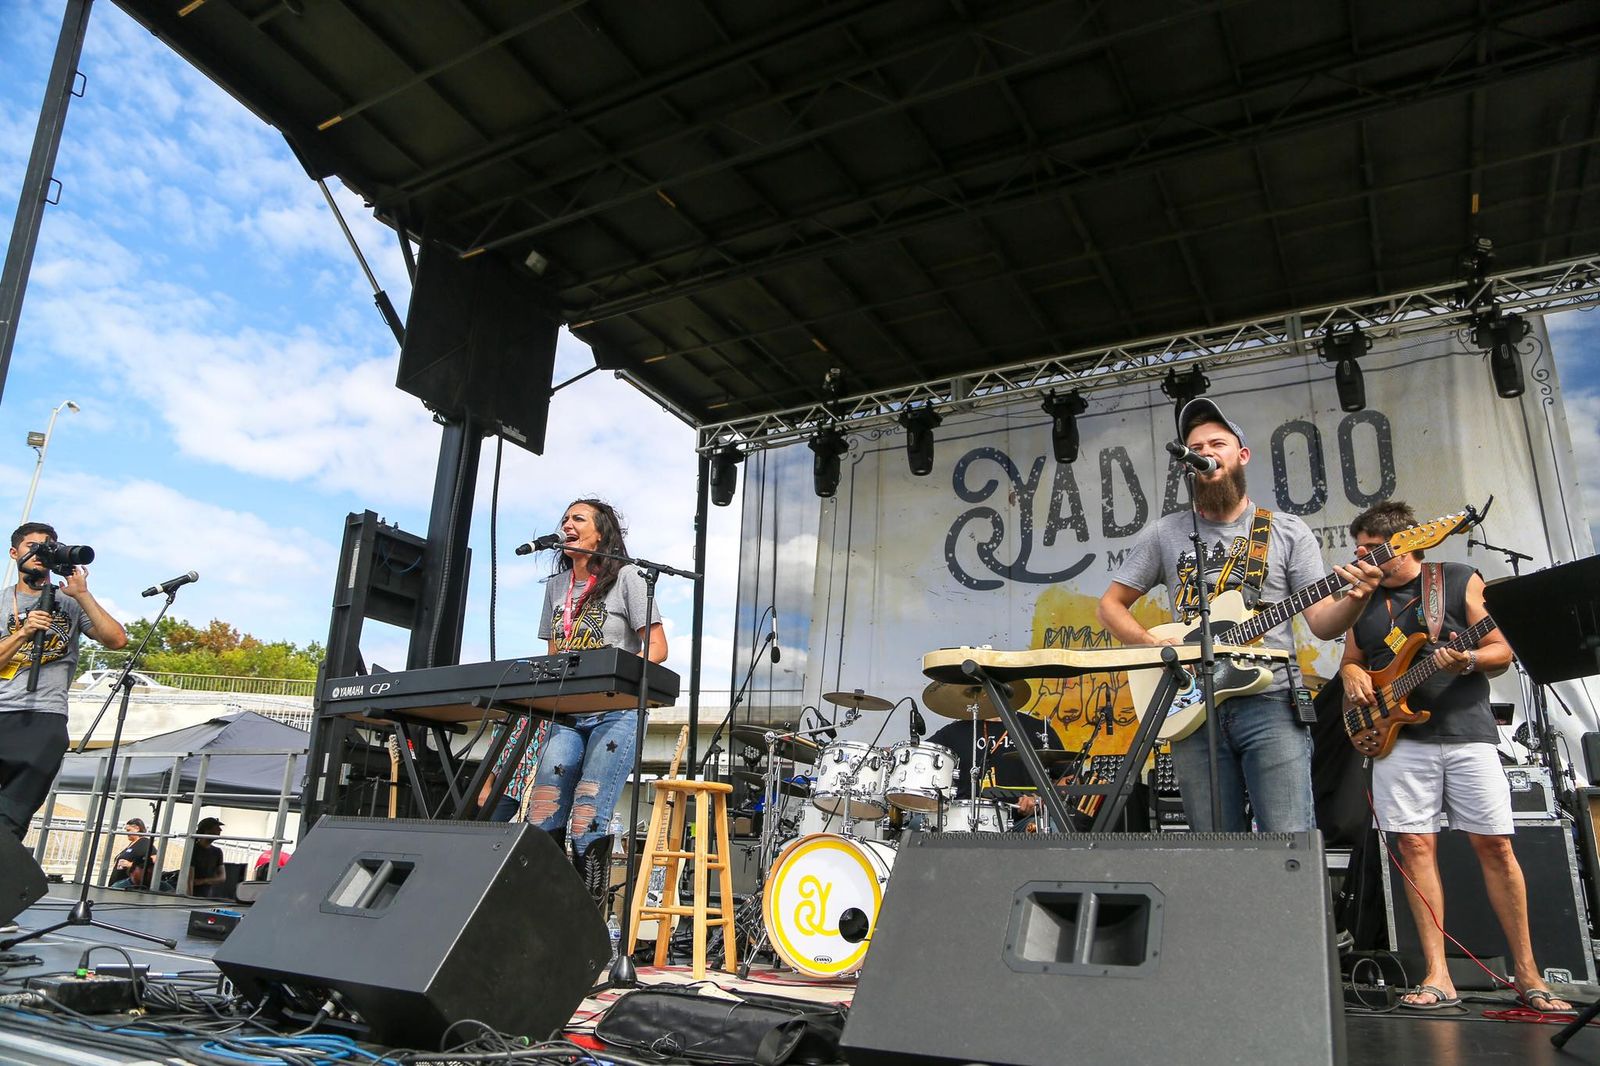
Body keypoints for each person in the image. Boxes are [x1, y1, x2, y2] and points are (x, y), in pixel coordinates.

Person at [1096, 399, 1381, 832]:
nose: (1206, 452)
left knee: (1288, 838)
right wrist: (1152, 643)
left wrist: (1357, 599)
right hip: (1194, 705)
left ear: (1242, 455)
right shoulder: (1165, 533)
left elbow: (1323, 623)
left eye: (1217, 444)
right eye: (1196, 448)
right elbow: (1110, 606)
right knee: (1216, 847)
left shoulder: (1286, 530)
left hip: (1272, 703)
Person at [1339, 500, 1571, 1012]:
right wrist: (1352, 673)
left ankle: (1528, 973)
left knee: (1495, 846)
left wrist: (1465, 659)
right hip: (1397, 738)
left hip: (1466, 732)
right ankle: (1437, 975)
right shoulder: (1362, 598)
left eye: (1370, 549)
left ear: (1404, 545)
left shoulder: (1457, 578)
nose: (1360, 557)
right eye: (1357, 549)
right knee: (1414, 847)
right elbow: (1352, 659)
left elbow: (1501, 650)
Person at [525, 500, 667, 911]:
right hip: (566, 712)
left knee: (588, 813)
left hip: (616, 711)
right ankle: (544, 912)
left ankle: (587, 920)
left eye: (578, 519)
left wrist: (613, 674)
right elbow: (554, 655)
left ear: (601, 533)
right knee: (543, 811)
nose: (567, 524)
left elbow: (658, 649)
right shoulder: (556, 587)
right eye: (564, 519)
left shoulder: (628, 577)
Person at [0, 523, 128, 843]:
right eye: (31, 547)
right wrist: (23, 632)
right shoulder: (2, 601)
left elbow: (116, 640)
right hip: (2, 710)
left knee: (11, 822)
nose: (39, 554)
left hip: (45, 716)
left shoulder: (70, 602)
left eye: (47, 548)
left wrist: (82, 594)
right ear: (14, 553)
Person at [924, 710, 1059, 831]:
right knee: (918, 824)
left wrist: (1040, 800)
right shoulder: (953, 732)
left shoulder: (1037, 729)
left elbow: (1067, 780)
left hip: (1020, 822)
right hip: (959, 820)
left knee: (1051, 827)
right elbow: (920, 762)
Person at [187, 816, 228, 898]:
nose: (220, 830)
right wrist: (189, 899)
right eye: (217, 827)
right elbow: (189, 879)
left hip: (206, 895)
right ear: (206, 830)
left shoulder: (217, 852)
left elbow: (222, 877)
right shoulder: (193, 850)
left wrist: (202, 881)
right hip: (193, 895)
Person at [111, 817, 155, 889]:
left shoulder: (144, 842)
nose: (127, 833)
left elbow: (154, 860)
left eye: (129, 830)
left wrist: (131, 865)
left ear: (137, 829)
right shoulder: (133, 843)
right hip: (119, 883)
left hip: (128, 885)